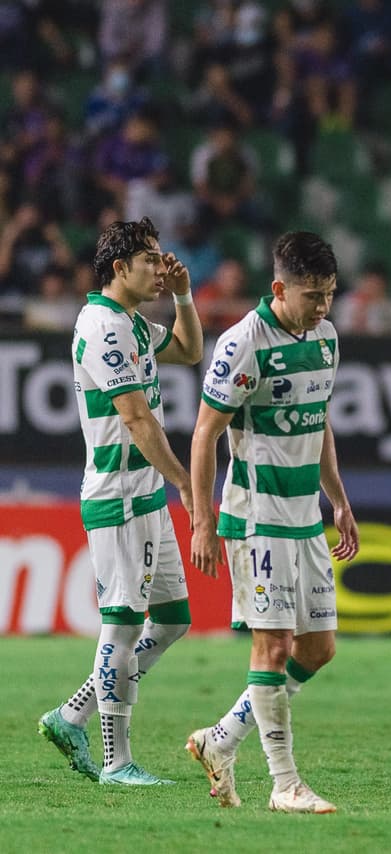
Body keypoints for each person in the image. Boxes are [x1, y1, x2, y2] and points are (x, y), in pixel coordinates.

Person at [185, 231, 360, 813]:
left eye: (330, 294)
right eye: (312, 295)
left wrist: (338, 500)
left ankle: (221, 740)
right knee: (274, 646)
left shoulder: (327, 339)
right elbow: (206, 433)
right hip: (256, 517)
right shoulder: (242, 344)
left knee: (318, 649)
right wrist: (203, 520)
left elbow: (320, 421)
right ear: (279, 287)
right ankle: (285, 784)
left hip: (305, 517)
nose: (323, 307)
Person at [38, 216, 203, 784]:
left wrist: (183, 294)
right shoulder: (103, 326)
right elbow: (135, 417)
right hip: (118, 496)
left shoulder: (132, 322)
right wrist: (185, 481)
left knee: (174, 618)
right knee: (123, 624)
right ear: (119, 268)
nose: (161, 267)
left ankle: (72, 714)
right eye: (151, 260)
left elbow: (187, 348)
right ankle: (116, 761)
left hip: (145, 494)